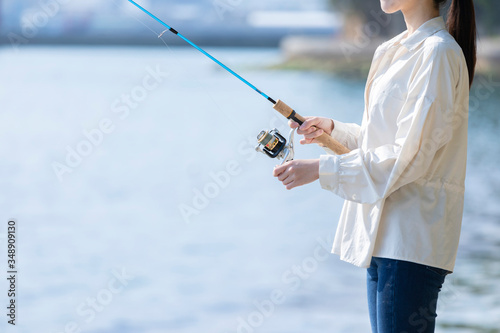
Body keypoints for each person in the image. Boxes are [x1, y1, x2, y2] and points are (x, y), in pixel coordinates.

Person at [273, 0, 476, 332]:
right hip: (381, 238)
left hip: (411, 241)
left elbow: (409, 155)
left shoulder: (438, 52)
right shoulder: (391, 50)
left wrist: (320, 169)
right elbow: (380, 142)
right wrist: (333, 131)